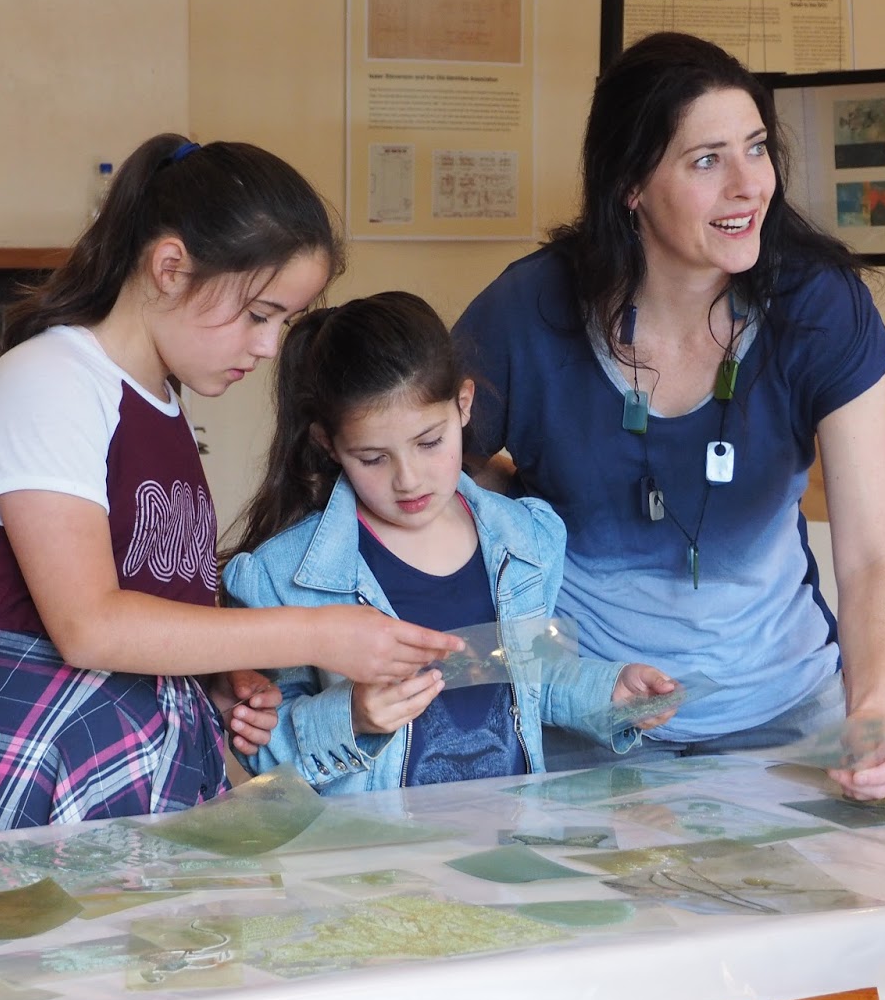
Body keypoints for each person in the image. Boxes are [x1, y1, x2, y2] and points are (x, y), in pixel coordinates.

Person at [0, 136, 461, 839]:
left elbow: (152, 600)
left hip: (132, 750)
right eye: (259, 315)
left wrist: (215, 678)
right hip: (34, 748)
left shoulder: (162, 401)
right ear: (170, 268)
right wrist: (318, 633)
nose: (269, 346)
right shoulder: (51, 381)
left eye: (283, 322)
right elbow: (90, 626)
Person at [452, 32, 885, 801]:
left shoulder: (820, 305)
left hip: (787, 714)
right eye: (706, 161)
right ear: (630, 185)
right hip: (591, 717)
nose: (748, 186)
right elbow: (420, 464)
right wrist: (522, 514)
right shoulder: (528, 310)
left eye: (757, 149)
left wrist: (869, 715)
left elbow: (873, 555)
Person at [221, 291, 678, 795]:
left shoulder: (527, 541)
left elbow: (532, 677)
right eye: (373, 458)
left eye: (429, 442)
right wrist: (351, 716)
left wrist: (609, 692)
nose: (408, 479)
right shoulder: (282, 575)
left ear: (463, 405)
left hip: (508, 835)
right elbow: (260, 746)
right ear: (329, 445)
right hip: (377, 844)